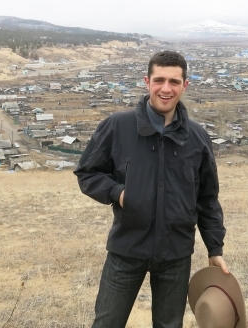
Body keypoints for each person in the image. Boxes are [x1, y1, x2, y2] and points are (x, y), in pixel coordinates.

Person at [74, 50, 228, 328]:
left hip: (176, 254)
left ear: (185, 85)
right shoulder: (117, 126)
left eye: (174, 81)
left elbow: (207, 198)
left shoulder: (197, 137)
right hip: (126, 249)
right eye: (159, 80)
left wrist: (214, 248)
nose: (166, 89)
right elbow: (87, 172)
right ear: (147, 82)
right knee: (107, 323)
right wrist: (118, 193)